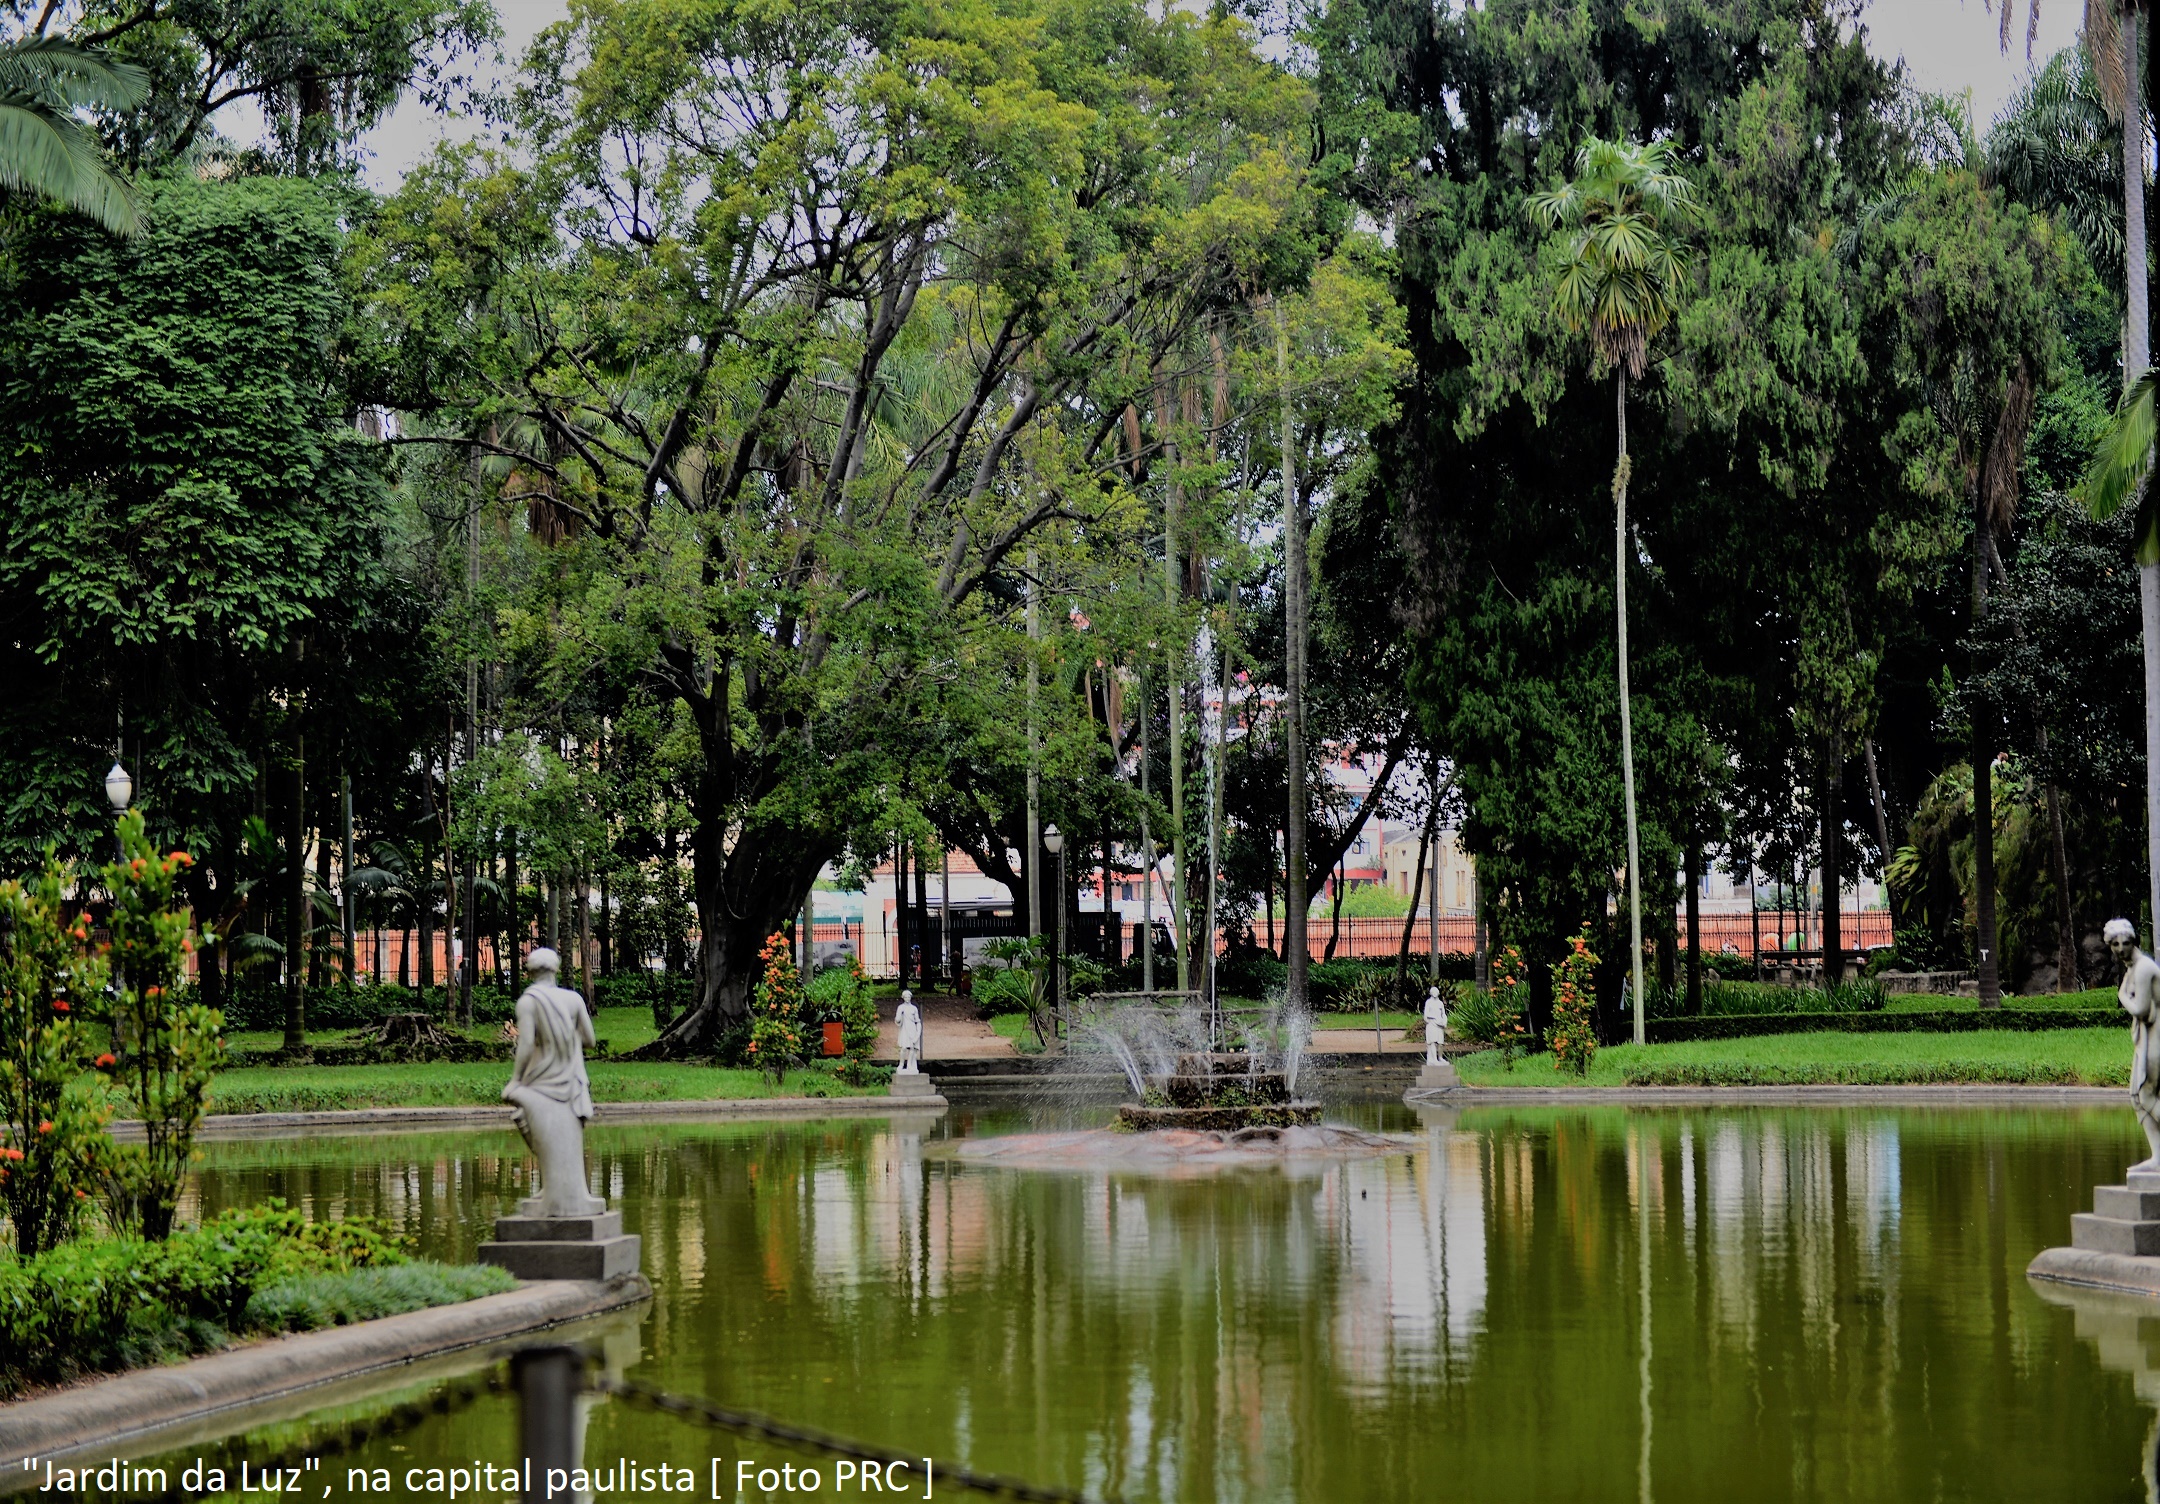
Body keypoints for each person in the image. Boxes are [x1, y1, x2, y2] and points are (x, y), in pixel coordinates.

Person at [504, 947, 603, 1215]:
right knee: (558, 1133)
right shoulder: (573, 999)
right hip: (570, 1079)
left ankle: (561, 1193)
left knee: (542, 1130)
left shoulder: (528, 1001)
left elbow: (525, 1043)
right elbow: (590, 1040)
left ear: (529, 973)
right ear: (556, 970)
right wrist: (564, 1039)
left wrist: (515, 1080)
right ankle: (554, 1188)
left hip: (542, 1077)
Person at [2109, 919, 2160, 1172]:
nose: (2120, 948)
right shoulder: (2132, 968)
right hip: (2146, 1037)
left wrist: (2121, 997)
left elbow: (2139, 1009)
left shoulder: (2142, 968)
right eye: (2115, 944)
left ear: (2134, 942)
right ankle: (2158, 1158)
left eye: (2125, 943)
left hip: (2156, 1037)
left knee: (2146, 1093)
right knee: (2138, 1097)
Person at [895, 988, 924, 1075]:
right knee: (904, 1048)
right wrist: (899, 1016)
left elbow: (917, 1020)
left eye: (908, 997)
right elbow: (897, 1020)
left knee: (912, 1048)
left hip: (912, 1029)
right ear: (903, 998)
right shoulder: (901, 1007)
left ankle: (909, 1065)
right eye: (905, 997)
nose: (907, 998)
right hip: (904, 1029)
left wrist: (918, 1032)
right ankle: (901, 1064)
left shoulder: (913, 1008)